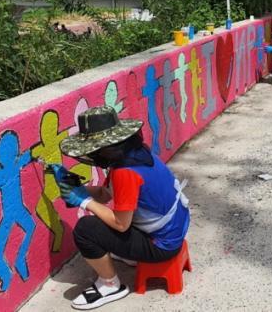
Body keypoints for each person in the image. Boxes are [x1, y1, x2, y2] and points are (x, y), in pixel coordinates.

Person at [54, 106, 190, 310]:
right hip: (174, 229)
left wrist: (83, 201)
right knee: (104, 219)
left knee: (85, 229)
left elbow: (120, 224)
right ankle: (129, 255)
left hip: (162, 244)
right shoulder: (136, 154)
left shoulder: (125, 173)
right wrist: (77, 188)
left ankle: (110, 286)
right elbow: (104, 194)